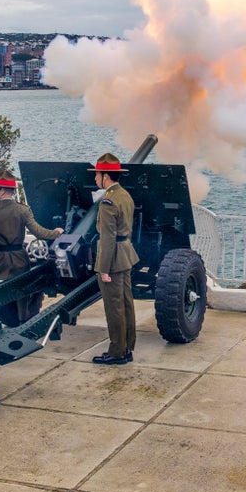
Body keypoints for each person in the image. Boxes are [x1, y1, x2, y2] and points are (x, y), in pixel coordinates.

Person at [0, 171, 63, 327]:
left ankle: (2, 316)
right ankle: (23, 319)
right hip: (18, 257)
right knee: (22, 288)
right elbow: (38, 232)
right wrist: (56, 233)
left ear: (1, 190)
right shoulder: (22, 210)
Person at [90, 154, 139, 365]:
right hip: (126, 255)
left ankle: (117, 351)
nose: (95, 179)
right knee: (126, 304)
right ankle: (128, 347)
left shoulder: (108, 202)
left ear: (106, 176)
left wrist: (104, 269)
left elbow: (107, 239)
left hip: (113, 259)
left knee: (114, 307)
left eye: (97, 175)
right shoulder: (125, 196)